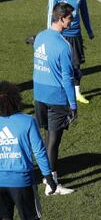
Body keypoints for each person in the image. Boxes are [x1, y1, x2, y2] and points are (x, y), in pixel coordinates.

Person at [33, 2, 77, 195]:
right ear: (61, 19)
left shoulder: (40, 36)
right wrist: (73, 104)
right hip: (56, 98)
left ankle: (46, 176)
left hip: (39, 95)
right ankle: (53, 185)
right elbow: (67, 78)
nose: (72, 21)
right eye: (70, 18)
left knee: (46, 138)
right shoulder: (63, 45)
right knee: (53, 141)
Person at [0, 80, 57, 220]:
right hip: (23, 182)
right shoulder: (27, 121)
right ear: (16, 99)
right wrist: (48, 177)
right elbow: (39, 151)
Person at [47, 0, 95, 104]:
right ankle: (58, 91)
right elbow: (50, 14)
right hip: (60, 35)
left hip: (75, 35)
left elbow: (85, 13)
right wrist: (50, 34)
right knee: (59, 65)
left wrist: (89, 31)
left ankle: (77, 93)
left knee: (76, 65)